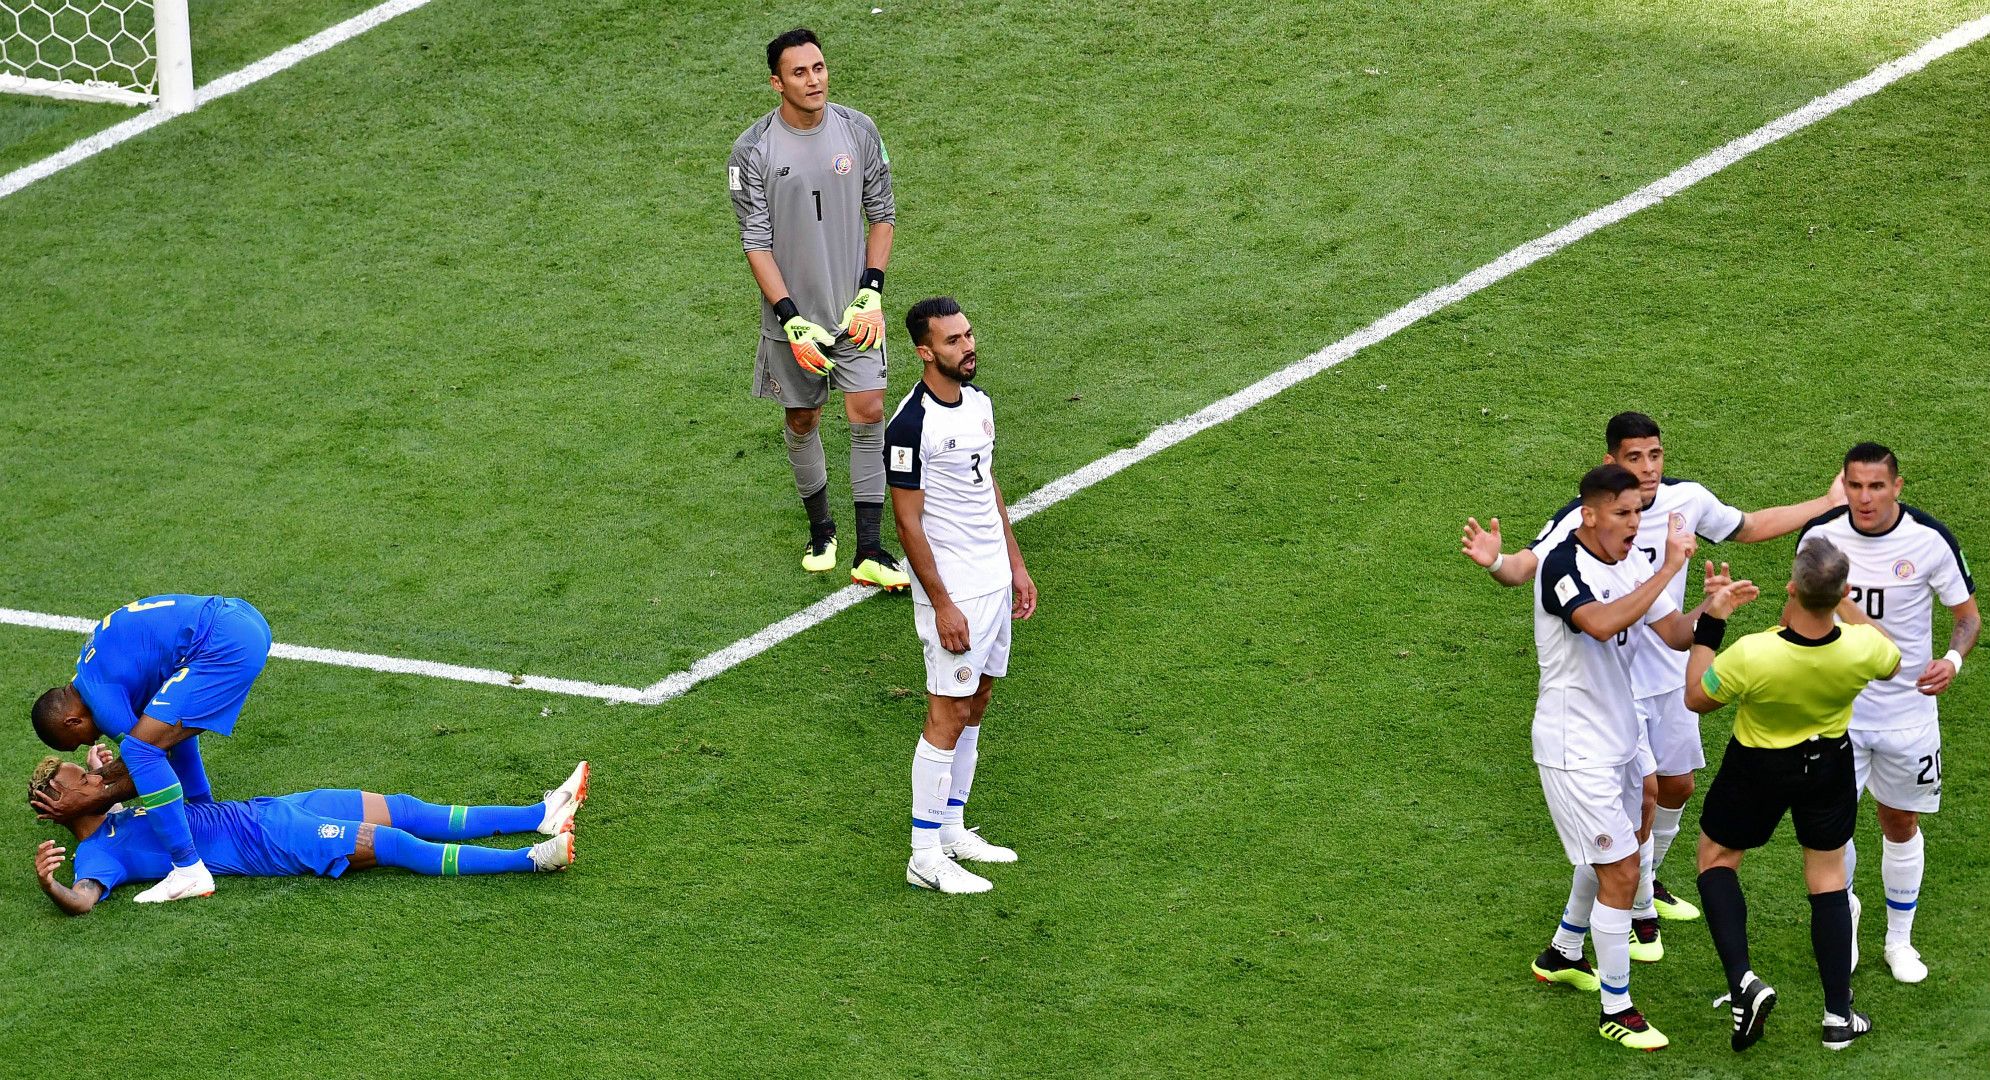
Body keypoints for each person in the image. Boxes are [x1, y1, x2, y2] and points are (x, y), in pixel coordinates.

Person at [1463, 411, 1842, 955]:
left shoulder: (1678, 510)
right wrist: (1495, 561)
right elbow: (1532, 572)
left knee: (1674, 789)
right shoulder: (1581, 529)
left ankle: (1584, 933)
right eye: (1633, 458)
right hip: (1604, 698)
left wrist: (1715, 609)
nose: (1646, 471)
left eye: (1655, 456)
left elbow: (1744, 535)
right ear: (1609, 465)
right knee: (1632, 817)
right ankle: (1633, 913)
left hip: (1655, 677)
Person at [1523, 464, 1747, 1051]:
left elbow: (1672, 632)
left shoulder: (1634, 562)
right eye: (1623, 513)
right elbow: (1598, 624)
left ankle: (1564, 951)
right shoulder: (1563, 566)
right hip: (1575, 748)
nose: (1634, 523)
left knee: (1633, 828)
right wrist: (1672, 568)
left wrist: (1711, 613)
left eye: (1637, 513)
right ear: (1589, 514)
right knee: (1621, 870)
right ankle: (1616, 1008)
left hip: (1619, 738)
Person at [1684, 537, 1899, 1051]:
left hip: (1756, 766)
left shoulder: (1755, 652)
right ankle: (1837, 1018)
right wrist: (1842, 601)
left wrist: (1711, 622)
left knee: (1716, 858)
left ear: (1792, 587)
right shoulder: (1862, 648)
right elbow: (1891, 659)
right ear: (1843, 591)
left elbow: (1696, 697)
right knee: (1828, 880)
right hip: (1828, 764)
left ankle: (1743, 983)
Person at [728, 27, 908, 590]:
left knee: (868, 411)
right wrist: (790, 318)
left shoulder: (858, 130)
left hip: (854, 311)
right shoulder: (752, 150)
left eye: (820, 68)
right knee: (803, 418)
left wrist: (871, 290)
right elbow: (755, 242)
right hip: (793, 321)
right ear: (776, 82)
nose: (814, 80)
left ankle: (871, 549)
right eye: (800, 72)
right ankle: (822, 530)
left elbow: (882, 211)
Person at [1796, 442, 1977, 983]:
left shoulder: (1930, 540)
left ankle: (1900, 940)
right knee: (1833, 830)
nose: (1865, 497)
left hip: (1908, 713)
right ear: (1843, 484)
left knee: (1900, 821)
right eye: (1855, 485)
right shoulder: (1820, 536)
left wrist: (1952, 659)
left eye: (1877, 486)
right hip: (1837, 714)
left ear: (1898, 486)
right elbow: (1804, 611)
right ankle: (1843, 918)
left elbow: (1967, 617)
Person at [885, 297, 1037, 895]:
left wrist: (1017, 564)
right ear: (925, 351)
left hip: (994, 582)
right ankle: (924, 855)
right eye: (952, 341)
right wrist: (942, 603)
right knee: (946, 714)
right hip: (956, 593)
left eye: (968, 335)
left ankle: (951, 827)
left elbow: (989, 489)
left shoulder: (978, 406)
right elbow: (906, 522)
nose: (967, 347)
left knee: (976, 703)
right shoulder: (909, 425)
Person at [28, 756, 590, 914]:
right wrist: (54, 885)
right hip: (276, 844)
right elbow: (83, 900)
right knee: (397, 846)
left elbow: (186, 790)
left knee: (408, 810)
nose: (95, 775)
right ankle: (532, 858)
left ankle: (539, 813)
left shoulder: (128, 806)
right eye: (84, 778)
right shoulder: (99, 854)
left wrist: (123, 768)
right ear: (60, 807)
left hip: (279, 808)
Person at [30, 594, 274, 903]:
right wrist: (103, 775)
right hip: (243, 620)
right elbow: (166, 739)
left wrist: (96, 795)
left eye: (80, 740)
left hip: (225, 644)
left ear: (72, 721)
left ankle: (188, 868)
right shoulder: (90, 670)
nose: (90, 742)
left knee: (142, 749)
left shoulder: (101, 702)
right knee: (159, 733)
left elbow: (149, 756)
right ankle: (205, 810)